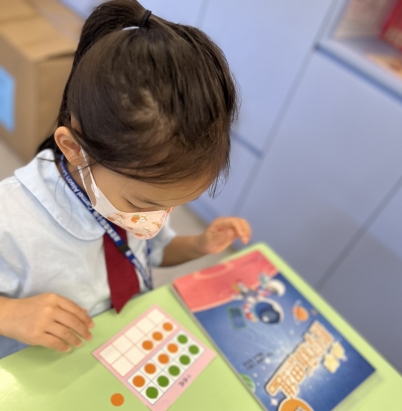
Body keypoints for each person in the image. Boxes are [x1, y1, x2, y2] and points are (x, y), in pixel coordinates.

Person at [0, 0, 251, 359]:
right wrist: (9, 314)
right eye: (142, 204)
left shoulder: (136, 200)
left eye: (173, 206)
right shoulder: (11, 217)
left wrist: (198, 245)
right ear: (74, 149)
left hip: (117, 350)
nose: (155, 220)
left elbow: (151, 250)